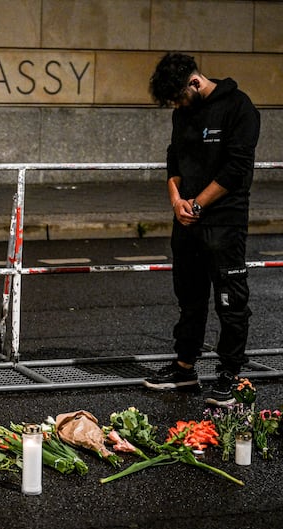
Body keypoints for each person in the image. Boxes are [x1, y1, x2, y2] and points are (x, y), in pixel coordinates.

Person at [142, 53, 260, 406]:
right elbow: (173, 160)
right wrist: (177, 201)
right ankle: (184, 368)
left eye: (179, 97)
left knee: (230, 300)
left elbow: (236, 169)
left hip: (224, 221)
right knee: (189, 298)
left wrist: (197, 205)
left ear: (195, 82)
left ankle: (230, 374)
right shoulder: (183, 113)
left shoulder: (239, 108)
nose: (177, 106)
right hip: (187, 221)